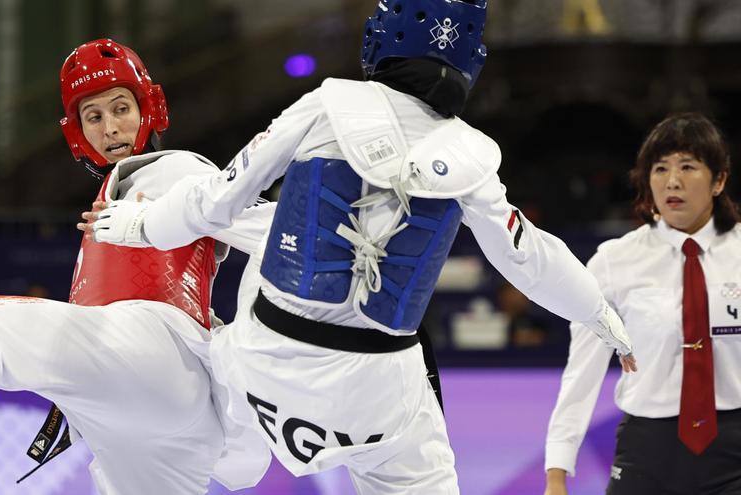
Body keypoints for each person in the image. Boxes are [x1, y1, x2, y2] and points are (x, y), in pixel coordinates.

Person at [85, 1, 636, 493]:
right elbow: (528, 258)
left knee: (266, 247)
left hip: (266, 369)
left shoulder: (326, 106)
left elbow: (216, 202)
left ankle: (200, 412)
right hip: (378, 395)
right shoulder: (471, 158)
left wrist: (132, 224)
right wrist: (601, 315)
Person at [0, 39, 271, 495]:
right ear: (79, 133)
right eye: (94, 117)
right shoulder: (109, 202)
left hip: (161, 353)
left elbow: (273, 230)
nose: (111, 128)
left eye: (121, 108)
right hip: (160, 419)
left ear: (150, 110)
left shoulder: (176, 169)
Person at [543, 113, 741, 495]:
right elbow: (581, 372)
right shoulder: (614, 261)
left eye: (688, 166)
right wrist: (557, 471)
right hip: (647, 451)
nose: (673, 181)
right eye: (660, 168)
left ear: (719, 180)